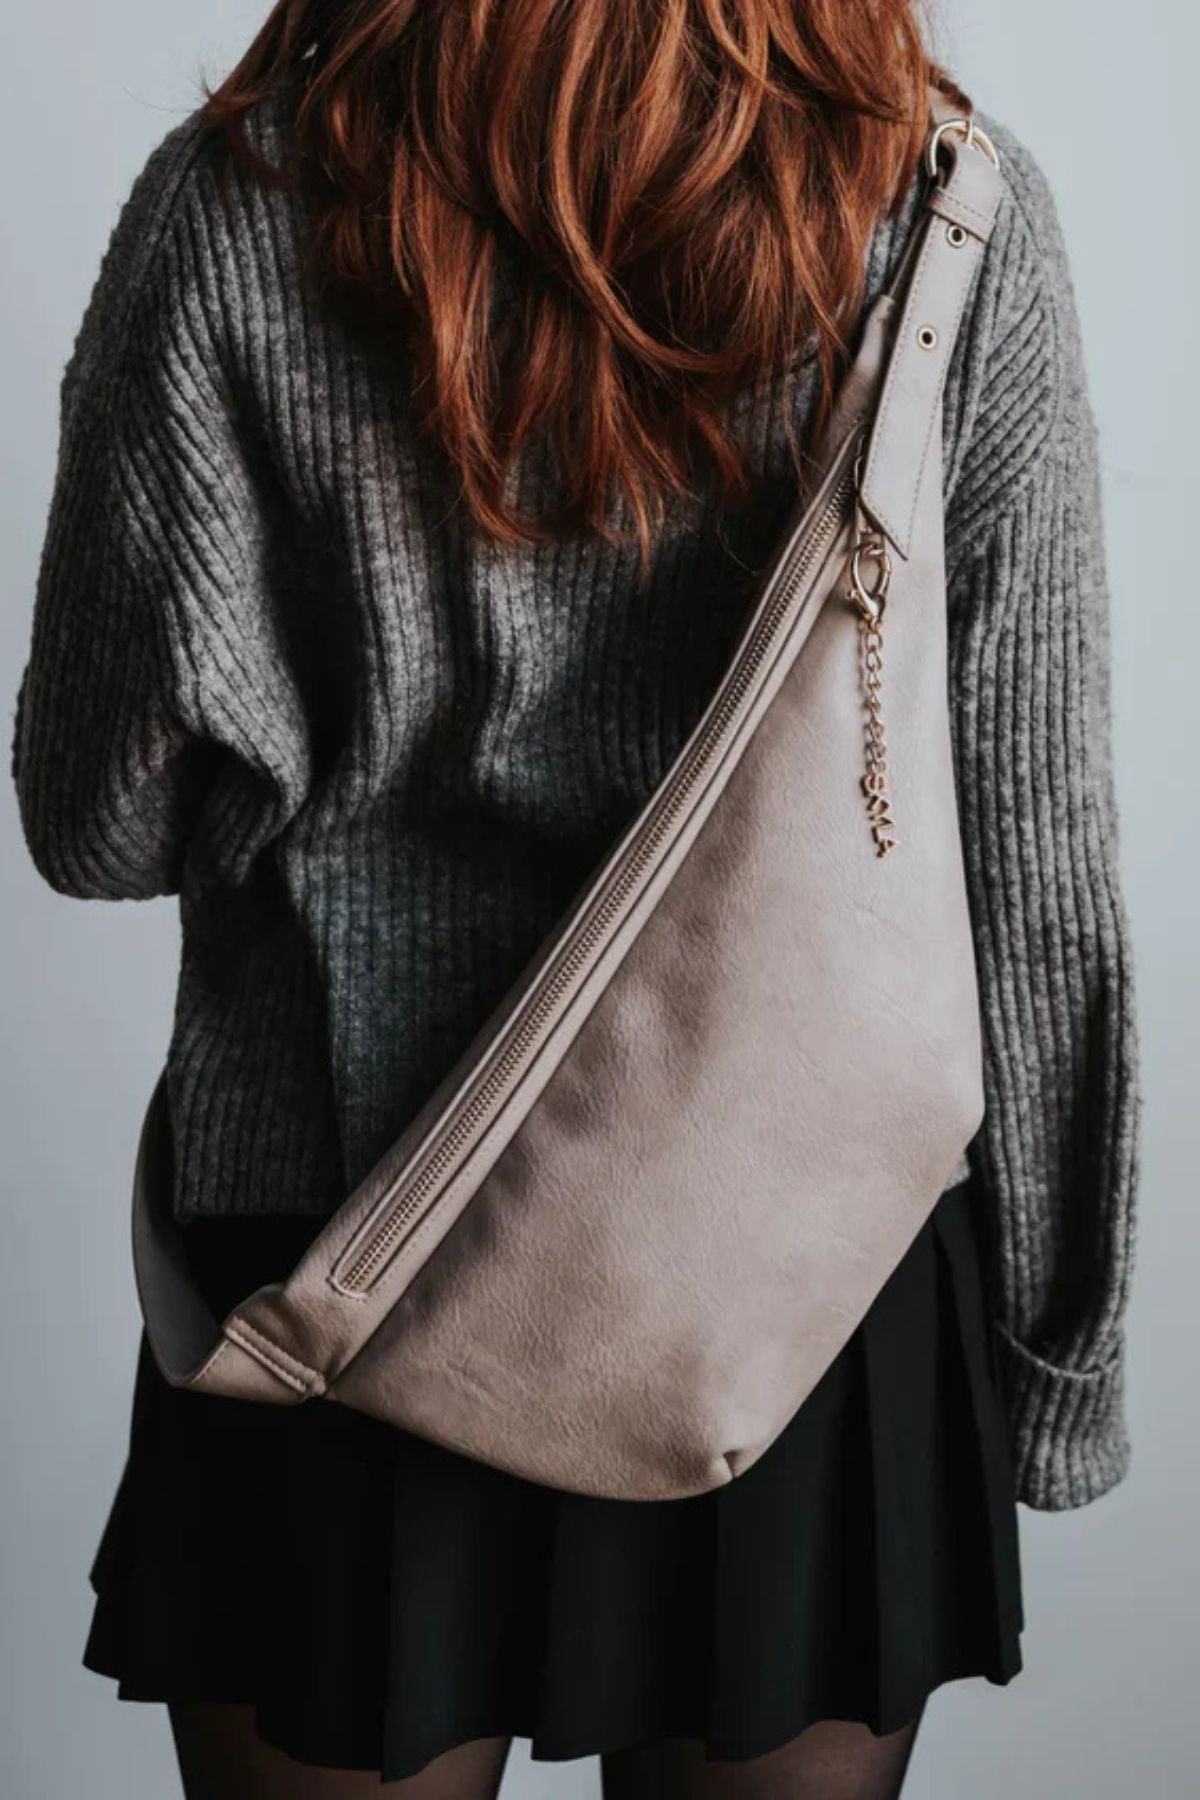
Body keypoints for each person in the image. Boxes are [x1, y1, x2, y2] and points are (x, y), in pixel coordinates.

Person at [11, 2, 1141, 1795]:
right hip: (801, 1293)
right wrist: (1058, 1364)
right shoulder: (940, 218)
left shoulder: (234, 211)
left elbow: (96, 822)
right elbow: (1035, 865)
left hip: (333, 1269)